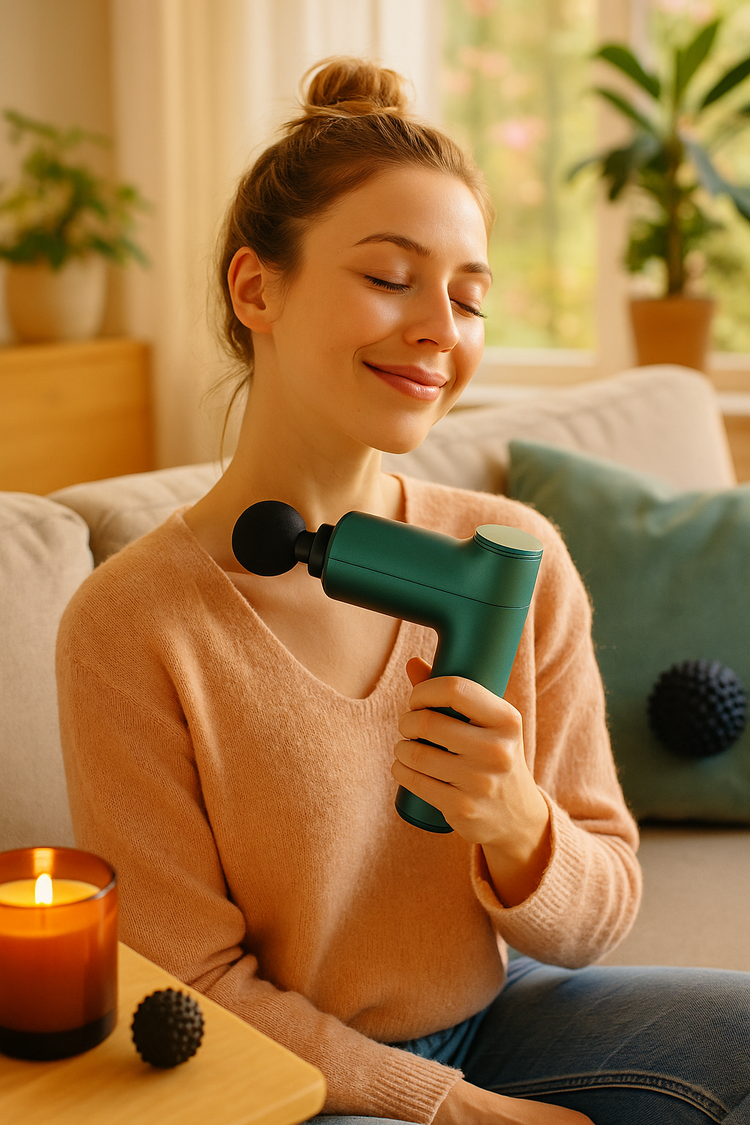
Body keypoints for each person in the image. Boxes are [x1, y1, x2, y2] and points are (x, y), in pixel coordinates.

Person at [56, 57, 750, 1125]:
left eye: (470, 298)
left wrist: (518, 824)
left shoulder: (512, 555)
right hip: (296, 1083)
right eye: (389, 277)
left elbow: (598, 910)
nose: (442, 330)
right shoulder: (132, 624)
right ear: (257, 288)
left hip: (504, 1014)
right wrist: (458, 1110)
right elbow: (191, 988)